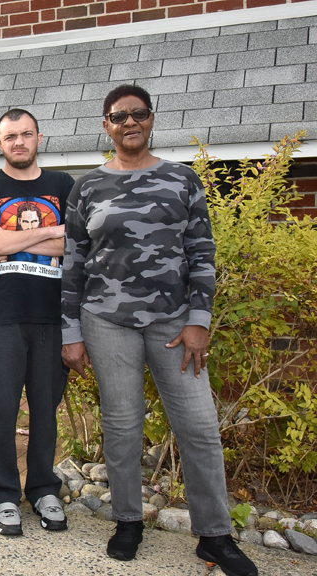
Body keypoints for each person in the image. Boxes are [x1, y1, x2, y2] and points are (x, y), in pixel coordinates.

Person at [61, 85, 257, 576]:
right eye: (118, 116)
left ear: (151, 119)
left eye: (138, 114)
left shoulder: (181, 179)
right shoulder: (87, 188)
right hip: (106, 321)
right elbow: (73, 263)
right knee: (123, 427)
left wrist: (199, 321)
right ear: (105, 125)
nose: (129, 122)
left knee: (199, 427)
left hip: (174, 324)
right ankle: (128, 520)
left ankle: (214, 535)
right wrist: (71, 332)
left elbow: (202, 255)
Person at [0, 109, 73, 537]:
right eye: (10, 136)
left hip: (52, 318)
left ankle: (44, 489)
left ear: (39, 138)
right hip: (0, 319)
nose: (19, 142)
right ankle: (5, 496)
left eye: (26, 134)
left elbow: (76, 244)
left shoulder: (64, 185)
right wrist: (49, 233)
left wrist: (11, 240)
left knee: (46, 411)